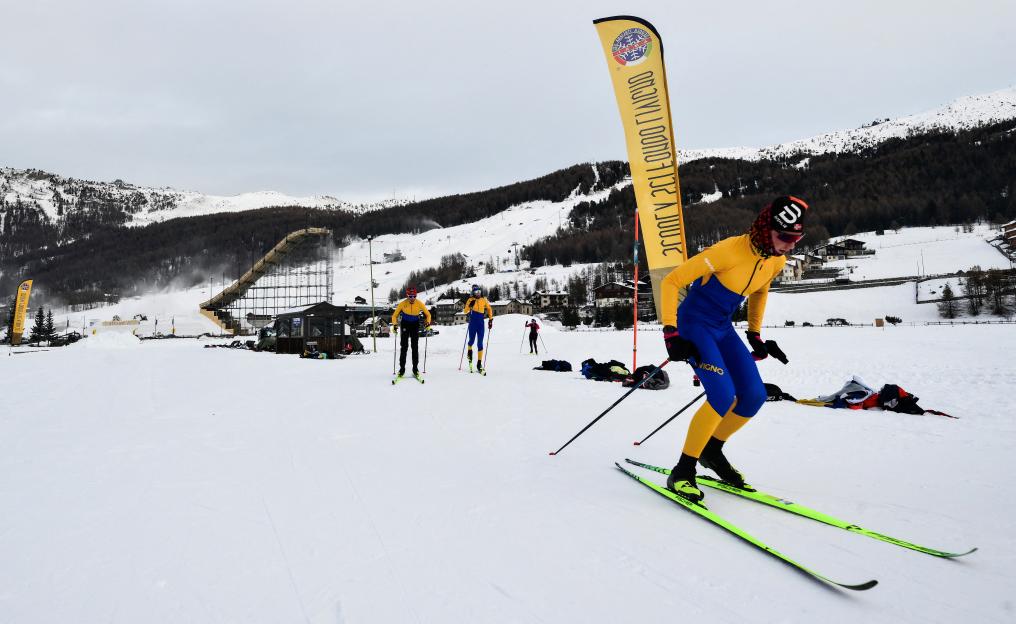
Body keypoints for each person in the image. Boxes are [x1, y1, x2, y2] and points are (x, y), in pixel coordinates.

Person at [659, 196, 807, 502]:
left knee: (754, 395)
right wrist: (670, 332)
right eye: (785, 238)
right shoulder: (727, 251)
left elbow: (761, 290)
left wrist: (754, 334)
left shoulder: (775, 259)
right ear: (767, 231)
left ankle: (711, 451)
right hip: (694, 324)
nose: (791, 246)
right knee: (722, 396)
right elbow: (672, 282)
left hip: (723, 327)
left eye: (797, 239)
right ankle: (683, 471)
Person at [390, 286, 432, 379]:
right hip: (405, 324)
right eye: (410, 296)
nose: (412, 298)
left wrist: (428, 323)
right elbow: (394, 316)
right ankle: (402, 369)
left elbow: (428, 314)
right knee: (404, 347)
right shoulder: (402, 304)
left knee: (415, 347)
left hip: (414, 325)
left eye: (414, 296)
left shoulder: (419, 303)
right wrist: (395, 325)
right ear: (407, 295)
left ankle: (415, 369)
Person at [463, 284, 494, 372]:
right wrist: (470, 306)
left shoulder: (484, 300)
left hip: (481, 323)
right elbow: (465, 311)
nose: (478, 293)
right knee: (471, 341)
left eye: (479, 291)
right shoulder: (470, 300)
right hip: (472, 323)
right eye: (476, 292)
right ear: (473, 292)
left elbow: (489, 309)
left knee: (480, 343)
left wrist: (490, 319)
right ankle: (470, 355)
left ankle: (479, 364)